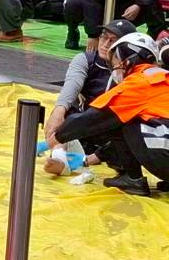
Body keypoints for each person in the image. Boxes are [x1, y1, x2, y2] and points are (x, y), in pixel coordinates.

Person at [49, 33, 169, 196]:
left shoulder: (138, 84)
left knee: (118, 119)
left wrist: (58, 136)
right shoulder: (161, 78)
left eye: (116, 61)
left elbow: (93, 119)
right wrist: (89, 159)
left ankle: (133, 179)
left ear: (128, 60)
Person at [44, 19, 137, 177]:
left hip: (113, 133)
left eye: (113, 40)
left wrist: (93, 159)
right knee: (64, 112)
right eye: (103, 37)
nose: (105, 43)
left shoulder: (133, 71)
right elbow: (71, 87)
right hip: (84, 127)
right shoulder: (86, 60)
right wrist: (58, 112)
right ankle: (59, 158)